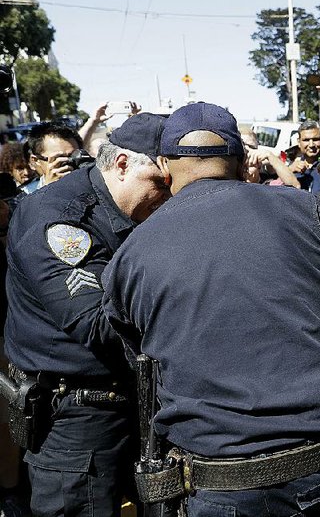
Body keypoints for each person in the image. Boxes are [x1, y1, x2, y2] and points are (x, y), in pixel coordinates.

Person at [101, 102, 320, 515]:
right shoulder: (307, 211)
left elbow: (138, 361)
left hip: (216, 485)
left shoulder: (131, 254)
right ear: (238, 159)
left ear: (165, 164)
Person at [3, 113, 170, 516]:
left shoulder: (134, 211)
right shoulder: (61, 218)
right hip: (77, 421)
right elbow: (96, 322)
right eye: (161, 183)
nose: (170, 196)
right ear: (124, 164)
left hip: (135, 404)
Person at [20, 123, 82, 193]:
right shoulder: (27, 194)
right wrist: (49, 189)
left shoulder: (92, 182)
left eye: (73, 156)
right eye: (60, 158)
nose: (69, 163)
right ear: (36, 160)